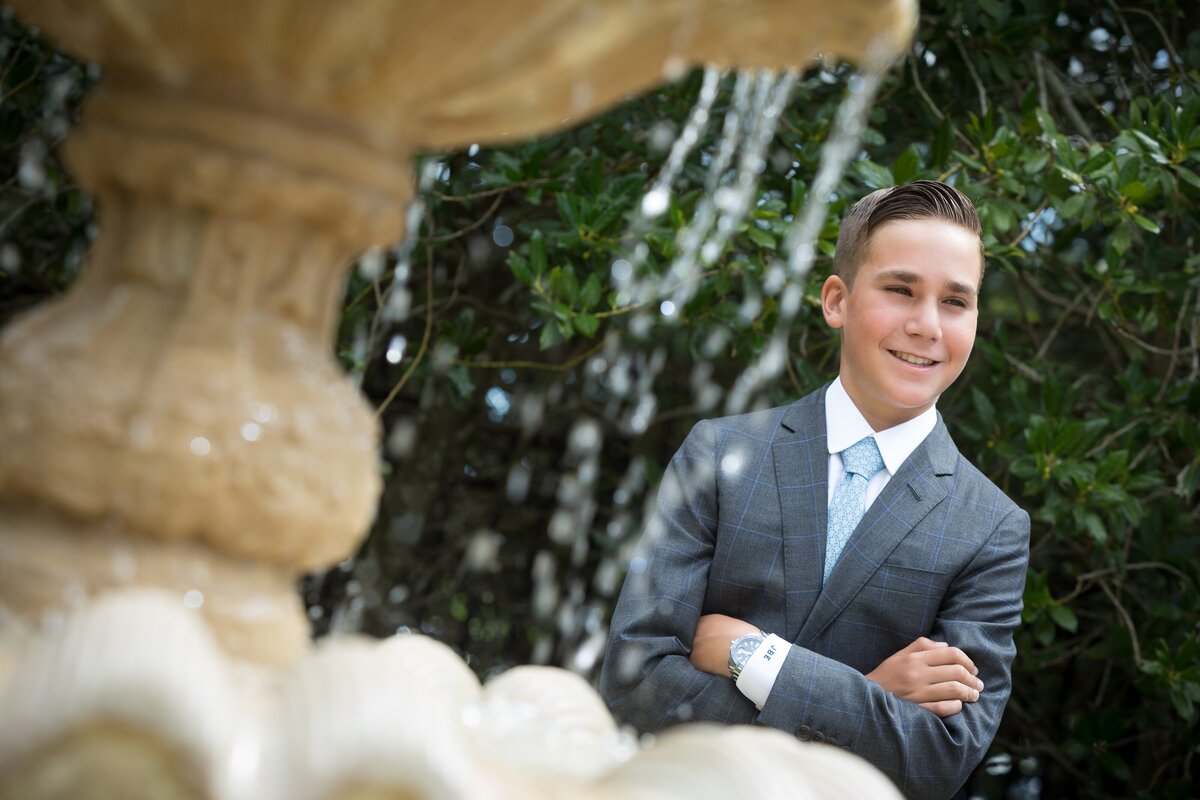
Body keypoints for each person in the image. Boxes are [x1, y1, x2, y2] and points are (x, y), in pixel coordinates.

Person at [599, 181, 1030, 800]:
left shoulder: (991, 527)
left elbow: (939, 758)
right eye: (900, 290)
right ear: (837, 300)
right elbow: (635, 677)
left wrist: (756, 657)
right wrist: (870, 695)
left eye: (955, 301)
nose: (927, 325)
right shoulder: (719, 454)